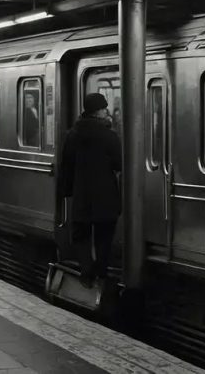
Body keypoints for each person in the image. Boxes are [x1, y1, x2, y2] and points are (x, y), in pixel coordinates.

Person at [59, 93, 122, 287]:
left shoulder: (73, 135)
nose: (106, 111)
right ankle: (101, 272)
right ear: (99, 111)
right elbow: (119, 164)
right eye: (104, 108)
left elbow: (66, 165)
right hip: (105, 194)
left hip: (82, 195)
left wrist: (67, 191)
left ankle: (86, 272)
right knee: (104, 235)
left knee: (81, 235)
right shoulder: (109, 136)